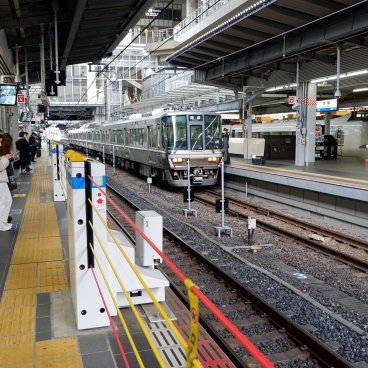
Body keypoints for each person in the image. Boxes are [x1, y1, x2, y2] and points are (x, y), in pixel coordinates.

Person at [0, 133, 16, 231]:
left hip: (2, 180)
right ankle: (1, 224)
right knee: (2, 202)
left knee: (7, 201)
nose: (1, 144)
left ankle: (4, 222)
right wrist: (6, 158)